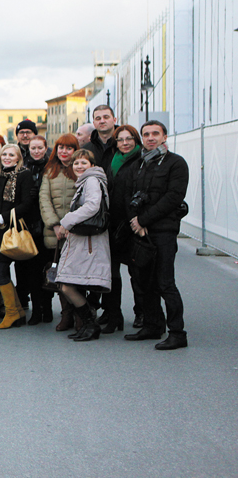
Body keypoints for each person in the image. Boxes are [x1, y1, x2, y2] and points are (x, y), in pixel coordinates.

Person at [121, 121, 189, 350]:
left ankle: (177, 333)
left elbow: (173, 197)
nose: (150, 138)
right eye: (146, 134)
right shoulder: (138, 164)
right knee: (144, 282)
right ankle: (152, 325)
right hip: (140, 232)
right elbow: (128, 195)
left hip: (163, 232)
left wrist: (144, 220)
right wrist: (135, 222)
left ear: (164, 137)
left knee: (165, 283)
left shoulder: (176, 163)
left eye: (155, 134)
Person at [55, 149, 112, 342]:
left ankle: (90, 324)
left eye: (83, 163)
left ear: (92, 165)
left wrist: (66, 221)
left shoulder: (92, 180)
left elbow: (92, 206)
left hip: (89, 241)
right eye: (76, 163)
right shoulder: (86, 181)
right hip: (84, 240)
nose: (79, 166)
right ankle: (88, 324)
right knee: (69, 283)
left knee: (67, 285)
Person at [0, 144, 36, 329]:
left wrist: (3, 217)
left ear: (18, 158)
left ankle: (12, 312)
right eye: (4, 154)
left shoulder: (24, 175)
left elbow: (27, 203)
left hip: (12, 230)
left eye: (11, 155)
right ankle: (17, 311)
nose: (6, 157)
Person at [102, 124, 144, 333]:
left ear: (136, 140)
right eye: (120, 139)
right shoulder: (112, 160)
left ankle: (142, 313)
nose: (125, 143)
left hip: (133, 224)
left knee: (137, 273)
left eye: (129, 139)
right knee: (111, 273)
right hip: (112, 224)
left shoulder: (141, 160)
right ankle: (114, 314)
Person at [39, 133, 79, 332]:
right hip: (55, 233)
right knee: (59, 276)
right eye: (61, 147)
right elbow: (44, 200)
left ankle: (80, 313)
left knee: (77, 275)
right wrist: (54, 224)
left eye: (69, 148)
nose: (64, 151)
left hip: (76, 231)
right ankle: (66, 313)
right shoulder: (50, 171)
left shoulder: (80, 169)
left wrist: (71, 225)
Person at [21, 134, 52, 324]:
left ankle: (47, 308)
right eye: (33, 148)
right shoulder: (24, 167)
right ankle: (36, 310)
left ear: (45, 148)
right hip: (29, 225)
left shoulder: (52, 166)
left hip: (47, 225)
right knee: (32, 272)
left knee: (47, 269)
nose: (37, 151)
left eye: (40, 147)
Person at [81, 105, 118, 173]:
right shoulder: (86, 150)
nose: (102, 121)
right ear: (94, 123)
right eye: (98, 118)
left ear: (114, 120)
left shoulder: (125, 145)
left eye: (106, 117)